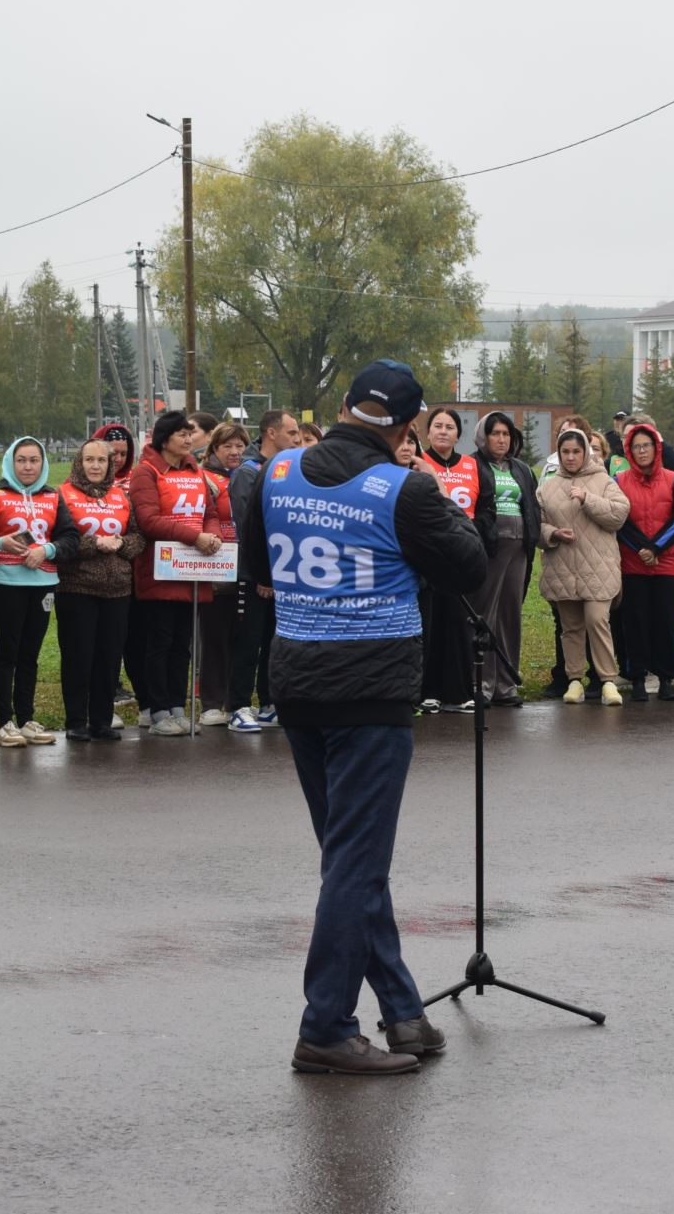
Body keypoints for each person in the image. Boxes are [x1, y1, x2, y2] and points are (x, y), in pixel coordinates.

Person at [235, 358, 486, 1075]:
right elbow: (469, 566)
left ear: (343, 405)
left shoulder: (277, 472)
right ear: (409, 426)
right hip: (371, 693)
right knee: (355, 863)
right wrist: (432, 494)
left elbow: (256, 568)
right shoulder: (404, 488)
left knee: (350, 859)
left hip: (299, 681)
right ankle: (325, 1026)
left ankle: (404, 1012)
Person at [0, 436, 74, 747]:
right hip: (7, 583)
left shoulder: (54, 497)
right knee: (7, 653)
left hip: (43, 584)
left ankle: (26, 719)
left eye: (34, 460)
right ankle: (4, 722)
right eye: (21, 460)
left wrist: (48, 550)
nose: (28, 466)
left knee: (31, 654)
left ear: (43, 463)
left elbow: (70, 538)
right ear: (11, 462)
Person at [128, 411, 223, 736]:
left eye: (190, 434)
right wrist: (193, 537)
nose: (188, 440)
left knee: (182, 644)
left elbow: (210, 512)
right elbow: (149, 519)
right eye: (182, 434)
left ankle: (177, 707)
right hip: (160, 570)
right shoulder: (147, 471)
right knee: (159, 642)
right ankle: (156, 711)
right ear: (165, 438)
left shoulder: (196, 470)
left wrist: (212, 535)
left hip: (191, 571)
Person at [538, 427, 631, 705]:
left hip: (599, 566)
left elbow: (619, 514)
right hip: (563, 566)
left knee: (596, 619)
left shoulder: (603, 480)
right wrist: (552, 534)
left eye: (576, 451)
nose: (570, 457)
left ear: (586, 452)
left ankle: (607, 681)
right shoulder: (547, 486)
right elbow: (537, 524)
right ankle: (575, 679)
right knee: (571, 626)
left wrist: (588, 499)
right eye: (565, 452)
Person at [54, 439, 139, 741]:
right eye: (89, 460)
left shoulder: (121, 496)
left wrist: (121, 544)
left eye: (101, 461)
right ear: (79, 462)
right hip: (77, 587)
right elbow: (61, 538)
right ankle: (76, 721)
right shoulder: (63, 494)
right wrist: (95, 544)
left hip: (118, 590)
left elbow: (137, 535)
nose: (95, 466)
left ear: (110, 465)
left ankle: (101, 721)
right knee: (79, 656)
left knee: (108, 657)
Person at [225, 409, 299, 730]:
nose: (297, 438)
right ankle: (238, 705)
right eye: (292, 432)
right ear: (272, 433)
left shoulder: (287, 469)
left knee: (274, 641)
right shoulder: (248, 471)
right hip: (255, 574)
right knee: (249, 641)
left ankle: (268, 701)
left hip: (280, 574)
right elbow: (249, 527)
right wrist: (263, 574)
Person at [615, 422, 674, 701]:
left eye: (646, 445)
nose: (642, 450)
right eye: (636, 446)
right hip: (633, 564)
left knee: (666, 622)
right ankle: (637, 678)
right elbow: (619, 519)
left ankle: (666, 677)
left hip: (667, 563)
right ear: (629, 450)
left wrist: (656, 547)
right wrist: (642, 549)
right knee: (635, 622)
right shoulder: (619, 481)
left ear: (656, 447)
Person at [470, 411, 540, 706]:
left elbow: (532, 506)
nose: (501, 439)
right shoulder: (473, 464)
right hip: (490, 547)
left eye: (506, 434)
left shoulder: (521, 468)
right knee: (486, 613)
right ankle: (482, 684)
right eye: (495, 433)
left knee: (511, 614)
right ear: (483, 436)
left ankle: (506, 684)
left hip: (519, 547)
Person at [417, 408, 483, 714]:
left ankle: (458, 692)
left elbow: (485, 507)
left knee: (459, 624)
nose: (443, 431)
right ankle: (428, 690)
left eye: (450, 427)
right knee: (431, 624)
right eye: (438, 426)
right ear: (428, 432)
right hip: (429, 556)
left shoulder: (471, 465)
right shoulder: (419, 463)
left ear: (459, 434)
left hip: (460, 554)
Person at [195, 422, 248, 727]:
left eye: (240, 445)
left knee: (241, 637)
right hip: (215, 566)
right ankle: (211, 702)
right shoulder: (205, 478)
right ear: (214, 449)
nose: (235, 451)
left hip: (245, 565)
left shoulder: (249, 472)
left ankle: (236, 700)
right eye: (228, 446)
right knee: (214, 637)